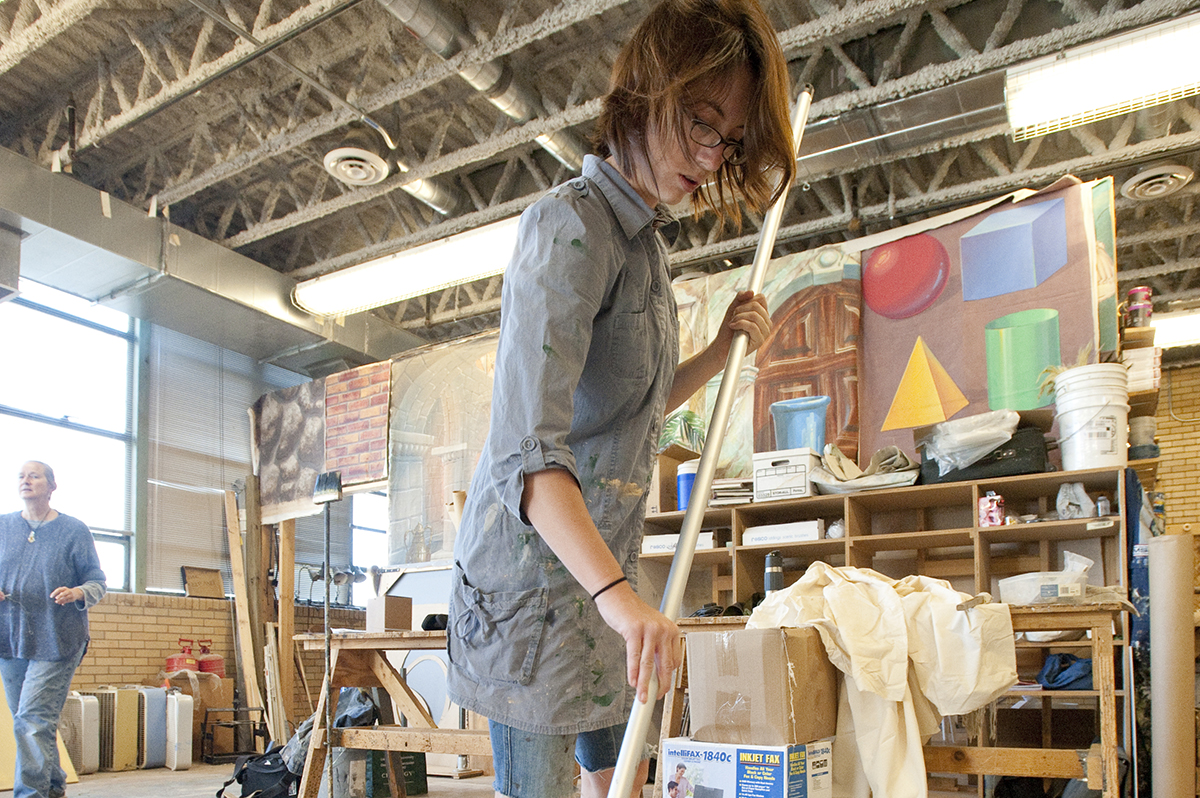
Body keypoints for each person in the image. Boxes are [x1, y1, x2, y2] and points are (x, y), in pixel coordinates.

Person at [445, 1, 796, 796]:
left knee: (621, 781)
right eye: (702, 122)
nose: (712, 157)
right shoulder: (568, 230)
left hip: (603, 580)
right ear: (645, 94)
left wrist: (717, 351)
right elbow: (531, 457)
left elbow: (627, 405)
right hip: (537, 586)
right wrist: (621, 601)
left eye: (729, 140)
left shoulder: (646, 251)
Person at [1, 461, 106, 798]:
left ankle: (30, 794)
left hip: (58, 639)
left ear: (51, 485)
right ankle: (55, 784)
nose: (25, 480)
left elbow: (97, 582)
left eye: (34, 475)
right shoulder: (2, 527)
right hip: (11, 638)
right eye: (21, 476)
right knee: (31, 722)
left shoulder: (73, 530)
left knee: (31, 720)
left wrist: (78, 592)